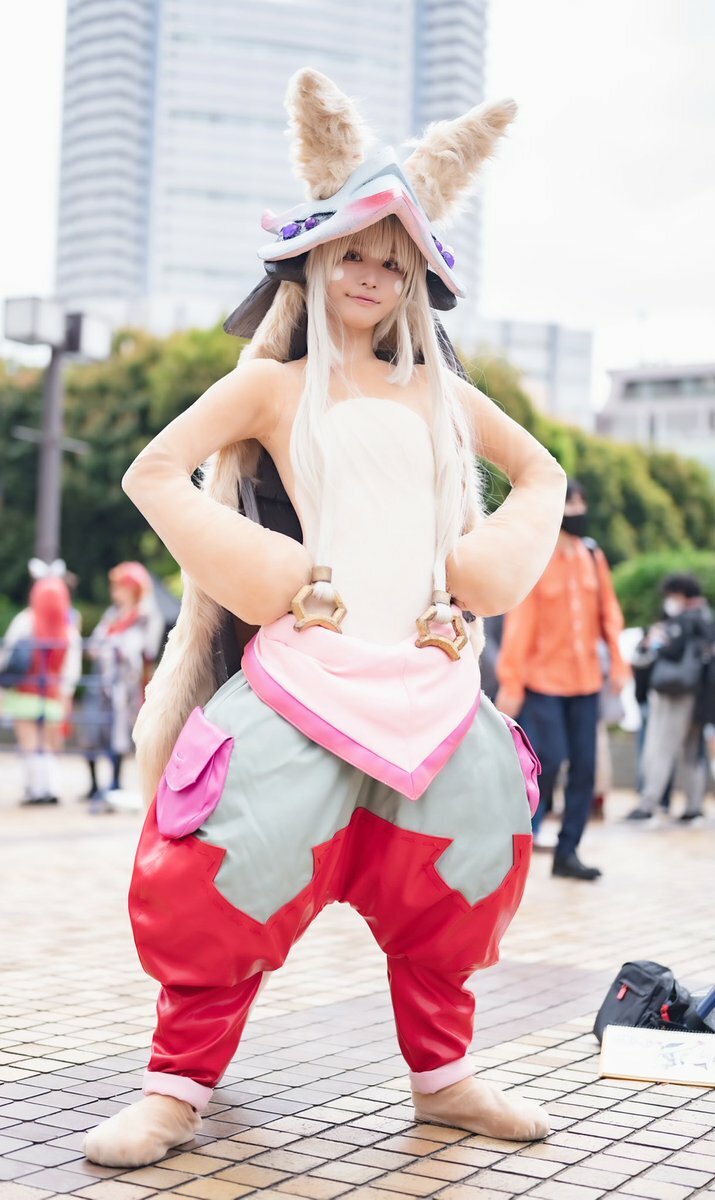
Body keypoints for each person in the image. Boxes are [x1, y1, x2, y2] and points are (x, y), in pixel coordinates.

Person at [84, 69, 566, 1168]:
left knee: (464, 879)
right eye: (354, 251)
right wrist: (258, 564)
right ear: (316, 256)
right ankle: (174, 1090)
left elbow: (541, 473)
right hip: (302, 683)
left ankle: (444, 1081)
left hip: (431, 689)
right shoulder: (273, 387)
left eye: (393, 261)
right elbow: (153, 470)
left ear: (415, 281)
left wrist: (481, 568)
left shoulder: (440, 394)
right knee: (217, 877)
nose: (370, 275)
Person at [496, 479, 629, 880]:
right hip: (544, 682)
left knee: (585, 768)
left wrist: (619, 664)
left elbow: (609, 614)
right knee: (549, 760)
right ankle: (519, 839)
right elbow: (521, 626)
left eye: (582, 504)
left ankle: (567, 852)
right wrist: (511, 684)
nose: (577, 512)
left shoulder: (592, 556)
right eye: (570, 504)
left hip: (586, 681)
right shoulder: (538, 558)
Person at [627, 573, 713, 824]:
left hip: (675, 693)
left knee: (661, 748)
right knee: (693, 751)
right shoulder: (706, 619)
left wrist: (656, 640)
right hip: (700, 696)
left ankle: (648, 803)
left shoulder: (682, 621)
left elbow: (669, 651)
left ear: (682, 594)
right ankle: (694, 806)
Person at [80, 562, 163, 807]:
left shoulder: (147, 616)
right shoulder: (112, 614)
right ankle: (94, 785)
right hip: (101, 679)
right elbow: (94, 646)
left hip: (127, 683)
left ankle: (115, 783)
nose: (115, 590)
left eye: (120, 586)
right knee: (92, 728)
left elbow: (147, 649)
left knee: (119, 730)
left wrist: (119, 647)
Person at [0, 569, 82, 804]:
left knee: (30, 744)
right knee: (48, 745)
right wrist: (66, 695)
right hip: (53, 694)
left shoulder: (26, 620)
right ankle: (51, 789)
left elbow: (8, 654)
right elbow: (72, 669)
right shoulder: (68, 627)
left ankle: (36, 791)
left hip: (25, 693)